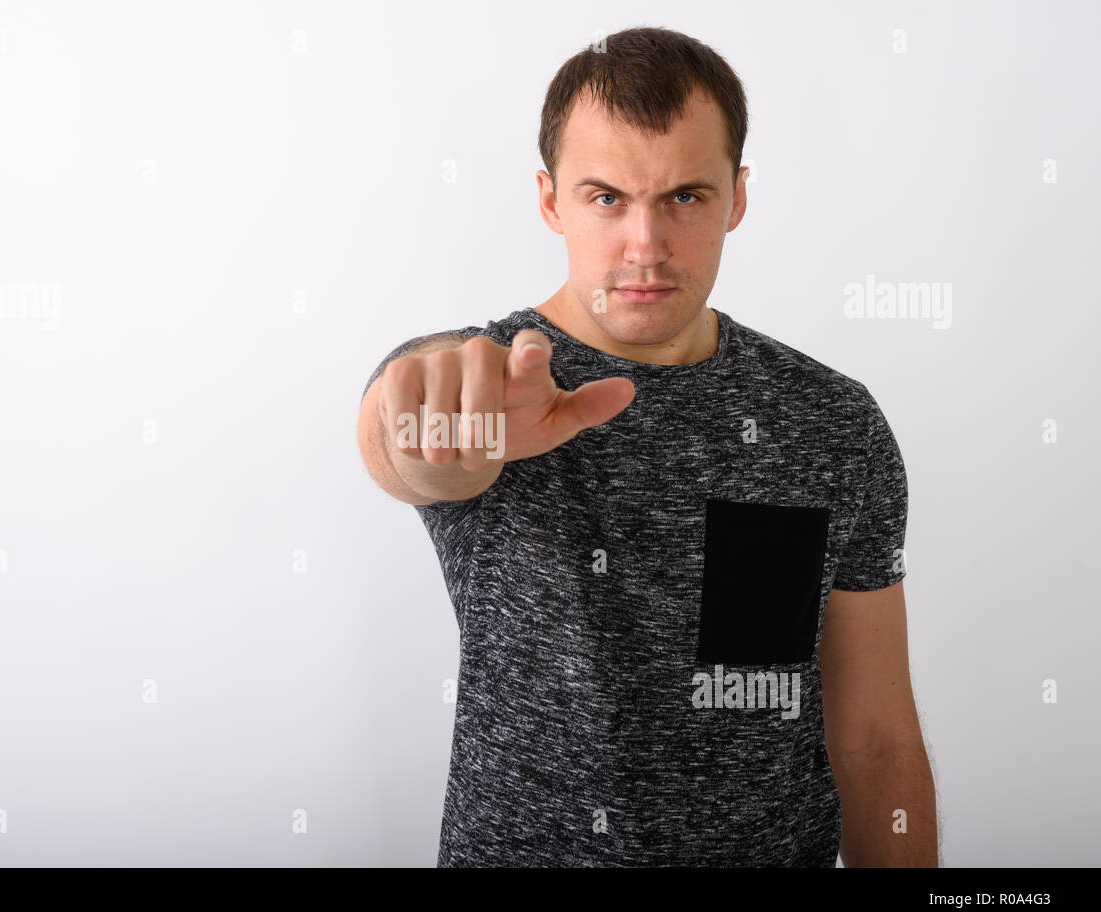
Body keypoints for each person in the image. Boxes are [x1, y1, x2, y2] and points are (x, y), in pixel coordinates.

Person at [356, 26, 937, 867]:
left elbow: (876, 740)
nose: (645, 245)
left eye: (684, 198)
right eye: (606, 198)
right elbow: (397, 431)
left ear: (737, 197)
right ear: (550, 199)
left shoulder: (830, 421)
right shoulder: (488, 379)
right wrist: (433, 438)